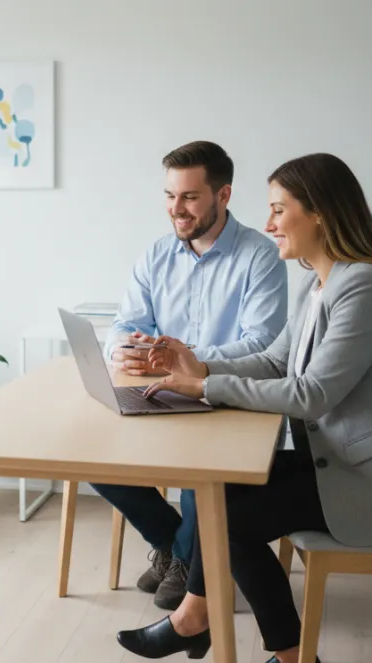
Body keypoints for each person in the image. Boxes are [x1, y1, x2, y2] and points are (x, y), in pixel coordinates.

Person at [113, 152, 372, 663]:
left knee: (224, 519)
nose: (270, 223)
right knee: (220, 494)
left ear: (319, 213)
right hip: (347, 461)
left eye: (279, 210)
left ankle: (287, 659)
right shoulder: (323, 280)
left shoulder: (363, 287)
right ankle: (197, 620)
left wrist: (205, 387)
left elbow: (313, 393)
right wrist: (200, 362)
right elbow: (278, 360)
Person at [94, 140, 288, 611]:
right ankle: (179, 549)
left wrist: (186, 361)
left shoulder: (260, 256)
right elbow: (125, 324)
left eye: (189, 197)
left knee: (204, 472)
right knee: (96, 454)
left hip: (229, 397)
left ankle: (180, 559)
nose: (175, 210)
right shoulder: (157, 255)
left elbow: (261, 346)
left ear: (223, 195)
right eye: (169, 196)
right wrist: (128, 350)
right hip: (162, 393)